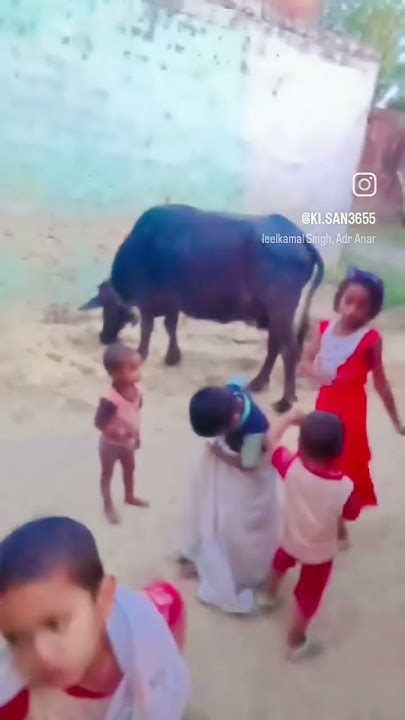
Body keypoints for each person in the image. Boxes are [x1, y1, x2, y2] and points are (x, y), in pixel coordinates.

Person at [0, 517, 189, 719]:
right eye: (16, 638)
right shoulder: (13, 699)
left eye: (55, 624)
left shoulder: (145, 626)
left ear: (104, 598)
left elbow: (172, 614)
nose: (41, 655)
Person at [298, 267, 405, 544]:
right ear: (339, 299)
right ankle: (331, 521)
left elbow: (381, 383)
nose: (352, 310)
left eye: (362, 306)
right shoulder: (323, 328)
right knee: (317, 459)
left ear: (372, 311)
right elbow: (305, 361)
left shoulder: (370, 340)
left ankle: (336, 521)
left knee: (342, 467)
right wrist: (315, 373)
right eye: (349, 301)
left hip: (351, 415)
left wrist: (396, 421)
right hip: (324, 408)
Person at [178, 377, 283, 614]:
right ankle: (205, 554)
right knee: (213, 509)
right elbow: (238, 381)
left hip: (248, 478)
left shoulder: (255, 429)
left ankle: (236, 569)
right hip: (229, 466)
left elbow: (249, 465)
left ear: (233, 421)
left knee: (233, 522)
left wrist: (220, 453)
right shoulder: (232, 392)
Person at [266, 409, 360, 661]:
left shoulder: (290, 466)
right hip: (320, 552)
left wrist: (289, 419)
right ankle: (295, 640)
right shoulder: (344, 486)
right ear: (339, 451)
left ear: (300, 444)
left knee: (280, 562)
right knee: (310, 594)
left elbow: (270, 441)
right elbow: (351, 513)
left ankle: (269, 595)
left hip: (290, 537)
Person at [95, 342, 148, 524]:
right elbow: (99, 422)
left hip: (128, 442)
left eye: (138, 367)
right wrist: (113, 431)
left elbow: (135, 415)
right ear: (116, 374)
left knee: (129, 469)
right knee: (107, 474)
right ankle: (108, 506)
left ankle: (129, 496)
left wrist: (137, 436)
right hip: (110, 444)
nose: (138, 372)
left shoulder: (138, 392)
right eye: (133, 368)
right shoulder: (110, 400)